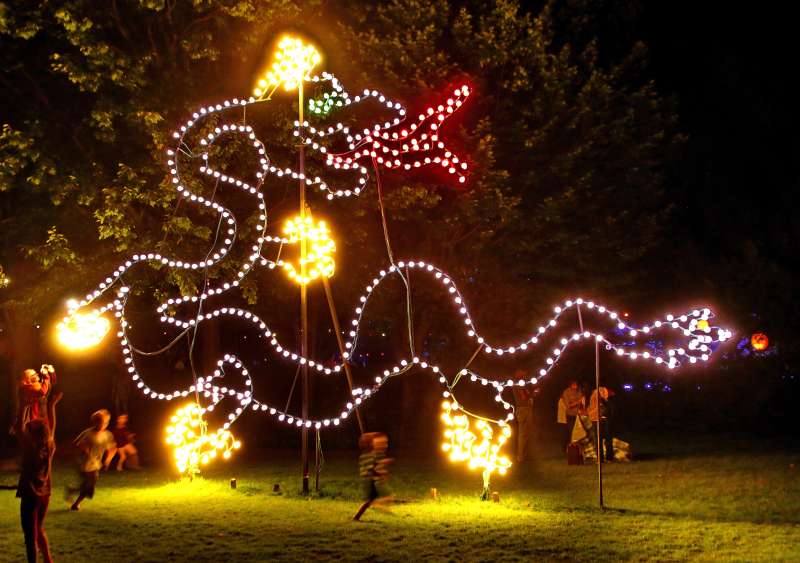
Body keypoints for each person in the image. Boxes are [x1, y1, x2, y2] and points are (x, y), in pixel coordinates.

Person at [16, 390, 62, 563]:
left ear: (32, 435)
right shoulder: (50, 445)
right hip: (45, 495)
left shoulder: (30, 448)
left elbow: (20, 426)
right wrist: (51, 406)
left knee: (30, 535)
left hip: (30, 494)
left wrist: (23, 405)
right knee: (39, 528)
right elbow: (53, 427)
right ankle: (48, 561)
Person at [69, 409, 115, 510]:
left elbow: (112, 448)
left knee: (89, 487)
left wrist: (108, 460)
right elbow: (77, 443)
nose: (103, 424)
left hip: (96, 464)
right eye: (101, 422)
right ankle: (75, 503)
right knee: (88, 486)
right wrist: (84, 449)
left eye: (105, 422)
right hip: (84, 463)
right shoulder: (88, 433)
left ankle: (72, 493)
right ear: (95, 422)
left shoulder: (107, 434)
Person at [353, 432, 393, 521]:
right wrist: (382, 466)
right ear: (373, 444)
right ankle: (376, 505)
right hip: (370, 481)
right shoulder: (372, 455)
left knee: (368, 502)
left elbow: (376, 468)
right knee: (388, 496)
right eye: (381, 443)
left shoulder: (375, 455)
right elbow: (372, 469)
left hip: (372, 480)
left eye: (385, 443)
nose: (384, 445)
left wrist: (383, 471)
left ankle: (357, 517)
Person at [13, 365, 56, 435]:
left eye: (35, 373)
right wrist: (46, 376)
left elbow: (51, 384)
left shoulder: (37, 385)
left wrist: (51, 371)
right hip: (34, 421)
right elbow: (42, 391)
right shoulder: (26, 388)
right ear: (27, 379)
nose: (36, 375)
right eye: (33, 375)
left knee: (47, 439)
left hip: (42, 418)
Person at [511, 370, 534, 462]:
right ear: (518, 374)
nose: (525, 375)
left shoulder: (522, 385)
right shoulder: (518, 385)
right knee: (523, 434)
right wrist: (532, 394)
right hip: (523, 409)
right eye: (523, 373)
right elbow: (523, 397)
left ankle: (524, 456)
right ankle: (521, 457)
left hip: (525, 408)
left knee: (526, 433)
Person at [588, 386, 615, 462]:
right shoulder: (595, 394)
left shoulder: (601, 394)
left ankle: (606, 458)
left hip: (602, 418)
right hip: (596, 418)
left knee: (605, 438)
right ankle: (602, 458)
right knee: (601, 438)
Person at [559, 381, 584, 451]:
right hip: (570, 415)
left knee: (579, 432)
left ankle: (577, 449)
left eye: (576, 385)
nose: (576, 386)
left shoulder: (579, 391)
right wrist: (577, 402)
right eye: (574, 385)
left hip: (578, 415)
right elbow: (568, 406)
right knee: (570, 432)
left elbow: (582, 402)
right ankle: (568, 449)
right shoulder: (566, 392)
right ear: (571, 385)